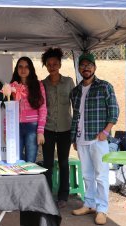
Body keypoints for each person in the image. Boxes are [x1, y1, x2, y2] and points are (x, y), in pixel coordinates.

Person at [70, 53, 119, 225]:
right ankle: (89, 203)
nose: (86, 68)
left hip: (98, 139)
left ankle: (102, 209)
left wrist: (105, 132)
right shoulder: (75, 92)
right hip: (81, 138)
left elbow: (114, 111)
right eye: (83, 65)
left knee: (101, 175)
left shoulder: (104, 86)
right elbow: (75, 116)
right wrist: (74, 138)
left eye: (89, 65)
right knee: (87, 175)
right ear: (79, 68)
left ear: (94, 67)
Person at [41, 47, 75, 208]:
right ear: (46, 66)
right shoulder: (42, 84)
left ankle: (63, 196)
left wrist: (75, 131)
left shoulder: (68, 82)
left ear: (60, 64)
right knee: (47, 163)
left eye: (55, 63)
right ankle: (47, 194)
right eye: (49, 64)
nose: (52, 66)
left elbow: (75, 106)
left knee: (63, 162)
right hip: (47, 129)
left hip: (65, 129)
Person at [10, 56, 47, 162]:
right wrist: (6, 130)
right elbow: (8, 110)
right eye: (20, 67)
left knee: (30, 161)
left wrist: (40, 131)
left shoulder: (38, 85)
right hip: (16, 127)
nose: (23, 69)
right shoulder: (12, 86)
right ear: (17, 69)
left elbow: (43, 109)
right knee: (16, 160)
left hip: (32, 127)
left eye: (26, 67)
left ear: (31, 69)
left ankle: (30, 179)